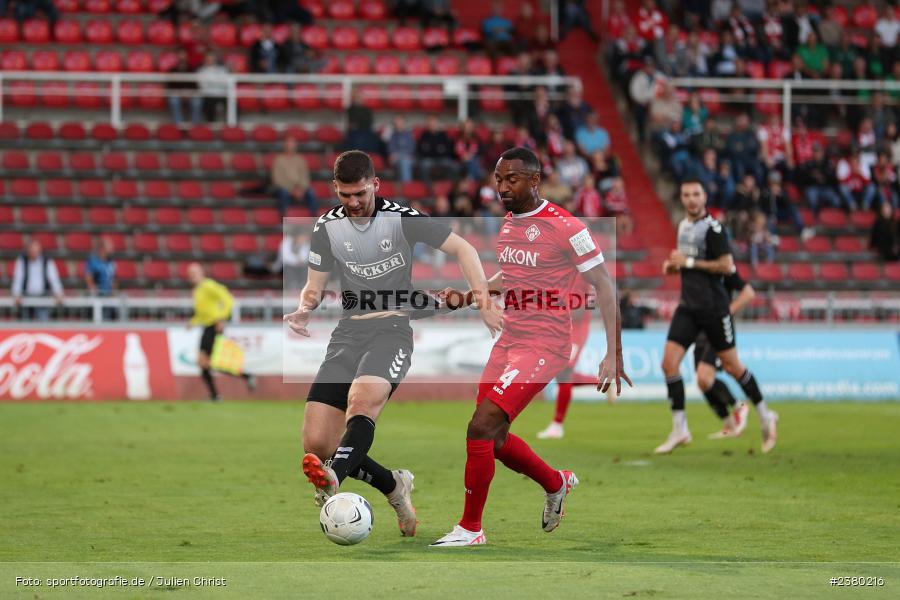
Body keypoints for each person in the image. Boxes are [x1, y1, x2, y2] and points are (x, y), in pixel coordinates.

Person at [283, 150, 502, 538]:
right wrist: (303, 310)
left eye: (360, 194)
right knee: (317, 443)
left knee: (361, 403)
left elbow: (464, 249)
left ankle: (333, 478)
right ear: (335, 189)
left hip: (392, 331)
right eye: (345, 195)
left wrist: (482, 301)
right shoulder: (325, 228)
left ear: (375, 185)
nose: (353, 203)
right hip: (347, 334)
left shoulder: (402, 219)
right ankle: (393, 486)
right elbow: (314, 287)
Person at [429, 147, 629, 547]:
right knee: (494, 438)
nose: (502, 187)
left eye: (512, 179)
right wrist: (470, 297)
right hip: (509, 339)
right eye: (498, 179)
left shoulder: (565, 226)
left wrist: (614, 352)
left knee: (480, 427)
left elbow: (605, 284)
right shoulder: (508, 223)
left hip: (545, 343)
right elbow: (514, 274)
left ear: (534, 180)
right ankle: (556, 483)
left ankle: (471, 529)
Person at [658, 179, 777, 455]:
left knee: (734, 368)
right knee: (668, 364)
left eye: (696, 194)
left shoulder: (714, 229)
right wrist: (675, 267)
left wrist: (687, 262)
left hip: (714, 309)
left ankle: (764, 415)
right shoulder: (683, 226)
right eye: (686, 194)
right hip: (688, 307)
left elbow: (726, 265)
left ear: (704, 196)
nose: (691, 199)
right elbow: (691, 268)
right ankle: (680, 429)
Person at [536, 278, 603, 440]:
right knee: (561, 375)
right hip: (561, 327)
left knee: (565, 372)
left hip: (576, 328)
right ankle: (602, 381)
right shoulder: (564, 267)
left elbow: (583, 308)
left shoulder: (584, 270)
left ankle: (557, 426)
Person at [695, 266, 757, 440]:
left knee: (704, 377)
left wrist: (727, 312)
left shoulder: (724, 267)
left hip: (719, 330)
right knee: (703, 383)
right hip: (699, 328)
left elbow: (749, 292)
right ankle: (729, 424)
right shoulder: (696, 268)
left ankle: (739, 406)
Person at [187, 262, 256, 401]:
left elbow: (228, 299)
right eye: (190, 273)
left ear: (201, 273)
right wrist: (192, 322)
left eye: (194, 272)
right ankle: (244, 378)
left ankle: (216, 395)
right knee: (208, 362)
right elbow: (201, 312)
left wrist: (221, 318)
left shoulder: (209, 285)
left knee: (205, 361)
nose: (192, 276)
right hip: (207, 326)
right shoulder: (197, 290)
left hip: (213, 326)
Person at [11, 239, 64, 321]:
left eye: (36, 250)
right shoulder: (22, 261)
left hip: (42, 296)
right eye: (32, 250)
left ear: (40, 250)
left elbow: (54, 279)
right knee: (25, 324)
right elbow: (18, 279)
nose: (34, 253)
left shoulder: (47, 261)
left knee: (43, 323)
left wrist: (59, 293)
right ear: (28, 250)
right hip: (26, 297)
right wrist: (16, 294)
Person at [271, 135, 315, 215]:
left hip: (299, 188)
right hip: (285, 188)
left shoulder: (300, 159)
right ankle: (284, 219)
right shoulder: (278, 159)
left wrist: (301, 189)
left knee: (311, 192)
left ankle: (315, 220)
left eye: (292, 143)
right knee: (283, 193)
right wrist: (292, 190)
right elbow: (277, 179)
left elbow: (305, 177)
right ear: (284, 145)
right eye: (288, 143)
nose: (290, 145)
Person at [84, 237, 117, 321]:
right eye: (110, 247)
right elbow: (89, 277)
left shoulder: (111, 262)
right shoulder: (93, 260)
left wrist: (113, 290)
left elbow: (113, 278)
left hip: (108, 296)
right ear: (103, 248)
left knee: (109, 319)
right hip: (97, 296)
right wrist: (94, 290)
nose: (112, 249)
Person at [166, 49, 201, 126]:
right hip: (177, 94)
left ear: (186, 56)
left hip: (190, 94)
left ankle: (195, 126)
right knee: (173, 100)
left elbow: (196, 86)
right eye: (180, 54)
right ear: (177, 57)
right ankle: (179, 125)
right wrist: (180, 93)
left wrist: (189, 93)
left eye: (183, 54)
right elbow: (170, 87)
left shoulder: (192, 69)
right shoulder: (172, 70)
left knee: (197, 102)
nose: (182, 57)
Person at [197, 51, 229, 122]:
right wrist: (217, 82)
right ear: (205, 59)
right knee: (208, 103)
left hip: (221, 94)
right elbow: (202, 85)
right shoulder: (201, 71)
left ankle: (231, 125)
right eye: (208, 58)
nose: (210, 59)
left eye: (212, 57)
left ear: (215, 58)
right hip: (208, 94)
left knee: (232, 102)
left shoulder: (222, 70)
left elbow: (225, 84)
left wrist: (211, 82)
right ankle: (211, 126)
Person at [387, 116, 416, 183]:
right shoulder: (392, 135)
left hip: (408, 158)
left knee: (404, 162)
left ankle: (406, 188)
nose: (398, 124)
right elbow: (390, 149)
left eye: (400, 122)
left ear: (403, 123)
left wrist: (400, 155)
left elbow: (412, 149)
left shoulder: (409, 135)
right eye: (396, 123)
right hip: (396, 158)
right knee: (403, 162)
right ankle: (406, 188)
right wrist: (394, 155)